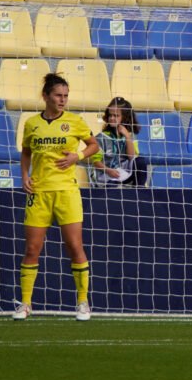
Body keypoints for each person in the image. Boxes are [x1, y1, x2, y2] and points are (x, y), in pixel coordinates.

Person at [14, 73, 99, 321]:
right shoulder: (32, 123)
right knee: (32, 248)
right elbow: (26, 151)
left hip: (67, 192)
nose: (63, 100)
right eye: (58, 96)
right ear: (46, 96)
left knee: (74, 246)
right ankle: (26, 304)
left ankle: (83, 302)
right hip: (39, 193)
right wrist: (24, 176)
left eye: (65, 96)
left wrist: (78, 156)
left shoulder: (75, 121)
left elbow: (94, 145)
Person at [88, 96, 148, 187]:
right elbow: (96, 162)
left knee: (140, 161)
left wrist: (127, 136)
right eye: (110, 115)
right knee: (112, 186)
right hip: (106, 175)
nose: (112, 118)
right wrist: (109, 171)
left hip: (122, 174)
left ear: (124, 118)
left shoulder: (129, 135)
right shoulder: (101, 137)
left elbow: (131, 157)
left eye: (116, 116)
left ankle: (139, 193)